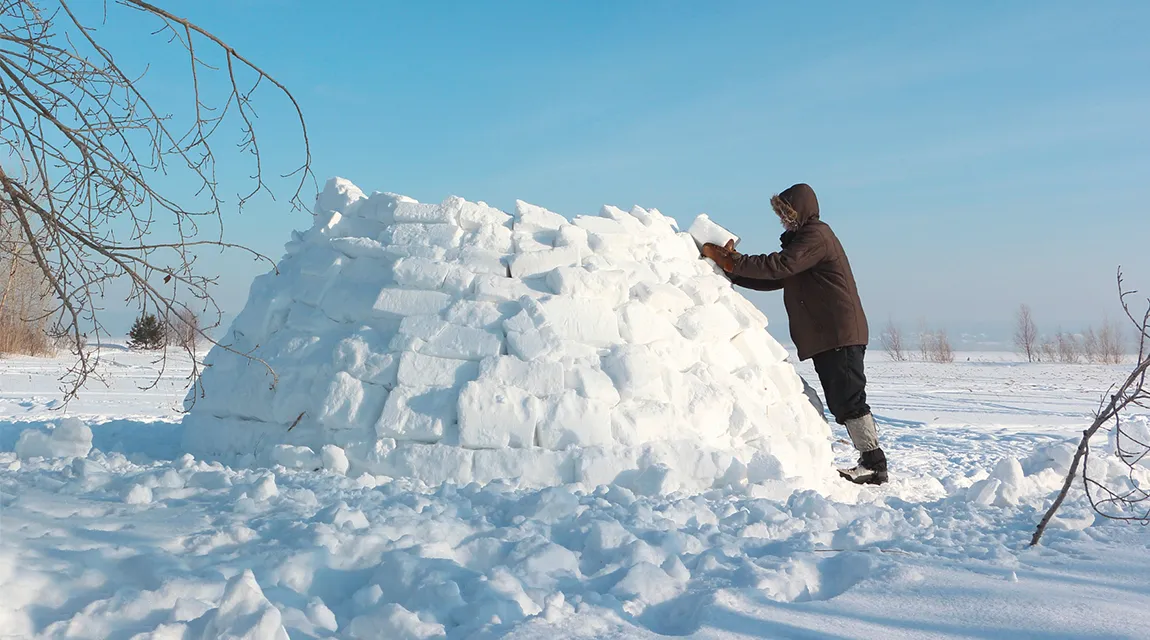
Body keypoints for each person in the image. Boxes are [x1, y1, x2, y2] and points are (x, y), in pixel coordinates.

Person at [701, 183, 887, 485]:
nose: (783, 220)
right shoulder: (804, 243)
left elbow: (779, 266)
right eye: (781, 215)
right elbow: (779, 277)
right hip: (829, 335)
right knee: (842, 401)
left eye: (786, 214)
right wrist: (733, 270)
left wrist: (732, 260)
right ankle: (870, 461)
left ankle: (874, 464)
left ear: (800, 212)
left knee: (850, 400)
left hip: (840, 332)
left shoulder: (816, 235)